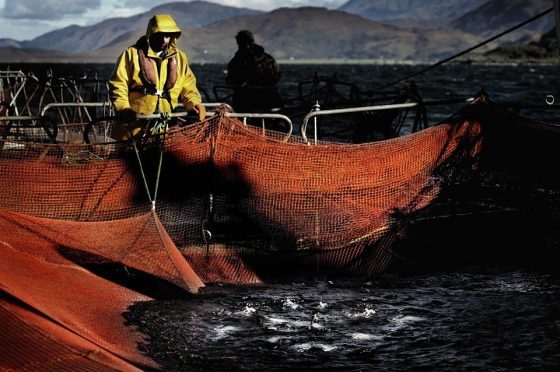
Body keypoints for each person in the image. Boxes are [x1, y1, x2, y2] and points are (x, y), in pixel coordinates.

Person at [108, 14, 206, 140]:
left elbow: (188, 86)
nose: (164, 40)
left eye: (167, 36)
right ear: (151, 35)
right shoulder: (130, 54)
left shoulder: (180, 58)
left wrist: (194, 104)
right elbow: (118, 84)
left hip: (165, 129)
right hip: (132, 129)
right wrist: (123, 109)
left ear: (173, 37)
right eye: (160, 35)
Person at [226, 30, 282, 113]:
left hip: (246, 101)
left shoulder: (237, 61)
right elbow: (277, 75)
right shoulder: (269, 59)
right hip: (271, 99)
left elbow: (231, 81)